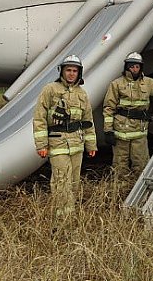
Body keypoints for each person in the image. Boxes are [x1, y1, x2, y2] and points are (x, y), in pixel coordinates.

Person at [33, 55, 97, 215]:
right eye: (68, 70)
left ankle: (71, 212)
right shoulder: (50, 89)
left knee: (74, 182)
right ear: (62, 71)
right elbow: (39, 118)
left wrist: (91, 145)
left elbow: (88, 121)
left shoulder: (82, 94)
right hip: (57, 143)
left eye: (74, 71)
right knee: (62, 181)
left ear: (79, 73)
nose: (71, 73)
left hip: (77, 144)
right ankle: (62, 218)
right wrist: (41, 145)